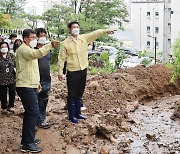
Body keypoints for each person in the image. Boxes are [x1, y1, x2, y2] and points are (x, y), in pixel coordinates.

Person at [58, 21, 116, 123]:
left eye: (77, 27)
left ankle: (78, 113)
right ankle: (72, 116)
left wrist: (106, 31)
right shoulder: (65, 43)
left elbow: (96, 33)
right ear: (69, 29)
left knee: (80, 92)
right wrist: (60, 72)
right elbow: (61, 58)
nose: (76, 29)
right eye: (73, 27)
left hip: (83, 70)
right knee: (72, 93)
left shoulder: (84, 38)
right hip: (72, 71)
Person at [16, 29, 59, 153]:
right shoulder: (24, 49)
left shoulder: (29, 49)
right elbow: (37, 55)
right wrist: (50, 45)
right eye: (33, 37)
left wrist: (37, 83)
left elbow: (33, 69)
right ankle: (27, 144)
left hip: (30, 85)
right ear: (25, 39)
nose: (35, 39)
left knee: (31, 113)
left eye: (36, 37)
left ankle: (28, 140)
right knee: (33, 112)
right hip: (25, 86)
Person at [35, 28, 51, 129]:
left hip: (47, 79)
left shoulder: (47, 50)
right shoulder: (34, 51)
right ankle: (33, 121)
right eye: (41, 35)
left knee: (44, 101)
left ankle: (41, 120)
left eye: (44, 35)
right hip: (36, 80)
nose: (43, 37)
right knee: (34, 102)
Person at [0, 41, 16, 113]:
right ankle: (4, 107)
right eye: (2, 47)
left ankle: (11, 106)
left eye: (5, 47)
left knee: (12, 92)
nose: (4, 48)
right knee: (3, 93)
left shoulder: (11, 55)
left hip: (11, 77)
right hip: (1, 78)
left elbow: (15, 64)